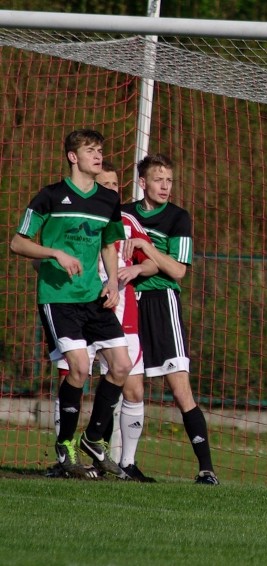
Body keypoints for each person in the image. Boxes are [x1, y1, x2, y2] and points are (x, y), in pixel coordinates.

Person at [11, 129, 132, 478]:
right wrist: (54, 252)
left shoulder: (108, 200)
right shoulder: (50, 196)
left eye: (100, 150)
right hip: (58, 298)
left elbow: (109, 244)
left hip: (94, 297)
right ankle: (65, 446)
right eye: (90, 150)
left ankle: (94, 439)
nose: (98, 155)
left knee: (121, 366)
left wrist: (112, 281)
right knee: (79, 368)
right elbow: (18, 243)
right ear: (73, 157)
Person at [43, 161, 158, 482]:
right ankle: (66, 456)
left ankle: (111, 452)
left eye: (115, 186)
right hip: (76, 305)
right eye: (105, 185)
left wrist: (137, 266)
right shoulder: (77, 217)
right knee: (74, 373)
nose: (111, 191)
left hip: (115, 311)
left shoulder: (126, 222)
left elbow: (151, 263)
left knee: (126, 379)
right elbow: (42, 255)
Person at [122, 153, 219, 485]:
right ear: (143, 182)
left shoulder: (178, 218)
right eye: (158, 179)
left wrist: (147, 249)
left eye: (169, 180)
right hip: (127, 302)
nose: (165, 186)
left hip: (162, 303)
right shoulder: (124, 214)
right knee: (127, 386)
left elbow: (178, 271)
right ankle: (124, 464)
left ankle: (206, 468)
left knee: (180, 390)